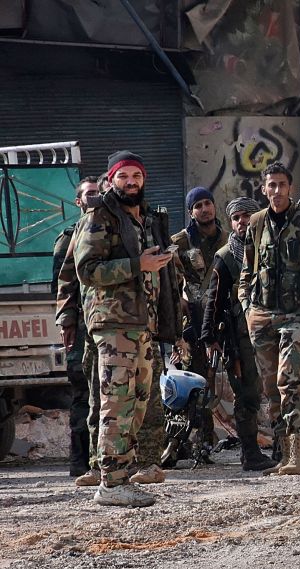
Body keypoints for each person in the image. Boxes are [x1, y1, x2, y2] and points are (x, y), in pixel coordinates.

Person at [74, 150, 181, 507]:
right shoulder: (99, 216)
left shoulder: (145, 217)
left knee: (137, 403)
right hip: (114, 323)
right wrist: (139, 264)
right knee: (115, 403)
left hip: (141, 325)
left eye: (136, 176)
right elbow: (87, 270)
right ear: (110, 180)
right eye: (123, 177)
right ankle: (111, 482)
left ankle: (123, 475)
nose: (130, 182)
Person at [238, 162, 300, 476]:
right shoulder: (256, 223)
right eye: (270, 185)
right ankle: (283, 453)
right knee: (270, 388)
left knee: (288, 381)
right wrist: (248, 307)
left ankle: (299, 455)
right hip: (262, 316)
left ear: (290, 187)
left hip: (295, 316)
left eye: (281, 185)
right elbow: (247, 272)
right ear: (263, 190)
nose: (276, 191)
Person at [200, 196, 276, 472]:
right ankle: (250, 453)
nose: (242, 222)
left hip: (271, 331)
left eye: (247, 216)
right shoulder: (225, 257)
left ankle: (283, 449)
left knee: (278, 390)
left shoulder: (271, 248)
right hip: (240, 338)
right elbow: (214, 301)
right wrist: (209, 337)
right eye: (236, 217)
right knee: (247, 396)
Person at [170, 186, 227, 449]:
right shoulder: (180, 242)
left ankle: (210, 438)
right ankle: (189, 442)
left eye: (207, 203)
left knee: (229, 378)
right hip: (192, 319)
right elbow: (170, 281)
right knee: (192, 380)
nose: (204, 209)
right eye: (198, 206)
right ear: (191, 212)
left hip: (222, 315)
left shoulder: (227, 239)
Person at [52, 176, 99, 477]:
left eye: (98, 193)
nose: (94, 199)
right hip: (80, 328)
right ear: (78, 201)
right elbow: (61, 285)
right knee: (82, 394)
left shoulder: (109, 229)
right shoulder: (68, 238)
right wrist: (66, 321)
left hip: (104, 323)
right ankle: (79, 461)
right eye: (89, 195)